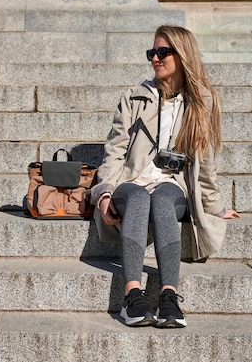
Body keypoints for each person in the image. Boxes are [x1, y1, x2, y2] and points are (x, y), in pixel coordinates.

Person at [91, 25, 240, 328]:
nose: (155, 59)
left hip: (173, 185)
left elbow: (206, 168)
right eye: (152, 53)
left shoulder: (201, 105)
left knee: (160, 197)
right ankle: (133, 296)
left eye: (163, 52)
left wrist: (215, 207)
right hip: (131, 181)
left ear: (182, 56)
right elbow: (114, 153)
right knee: (139, 195)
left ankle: (169, 296)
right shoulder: (134, 99)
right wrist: (105, 194)